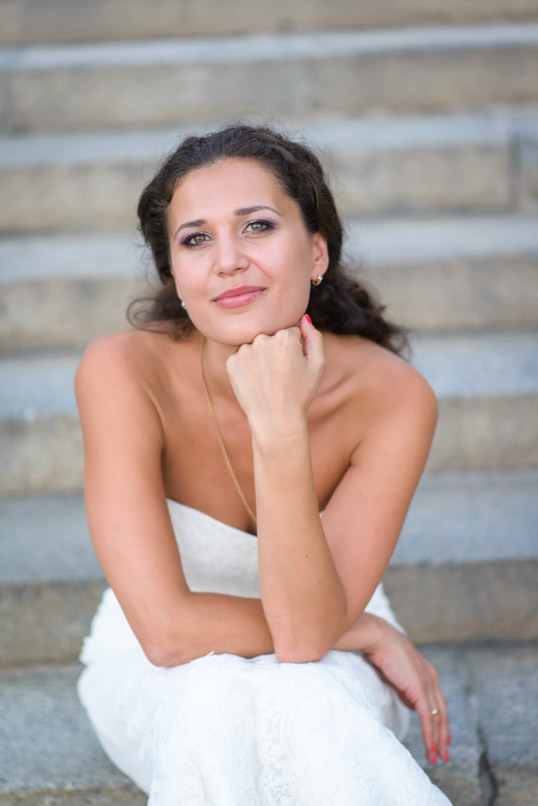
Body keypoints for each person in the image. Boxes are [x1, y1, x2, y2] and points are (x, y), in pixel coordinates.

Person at [75, 124, 453, 805]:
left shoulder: (392, 397)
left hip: (326, 656)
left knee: (306, 696)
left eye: (257, 226)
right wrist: (361, 627)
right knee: (214, 694)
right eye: (196, 239)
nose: (228, 261)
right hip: (160, 663)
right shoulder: (122, 372)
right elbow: (164, 633)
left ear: (316, 252)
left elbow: (306, 639)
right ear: (175, 275)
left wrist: (279, 426)